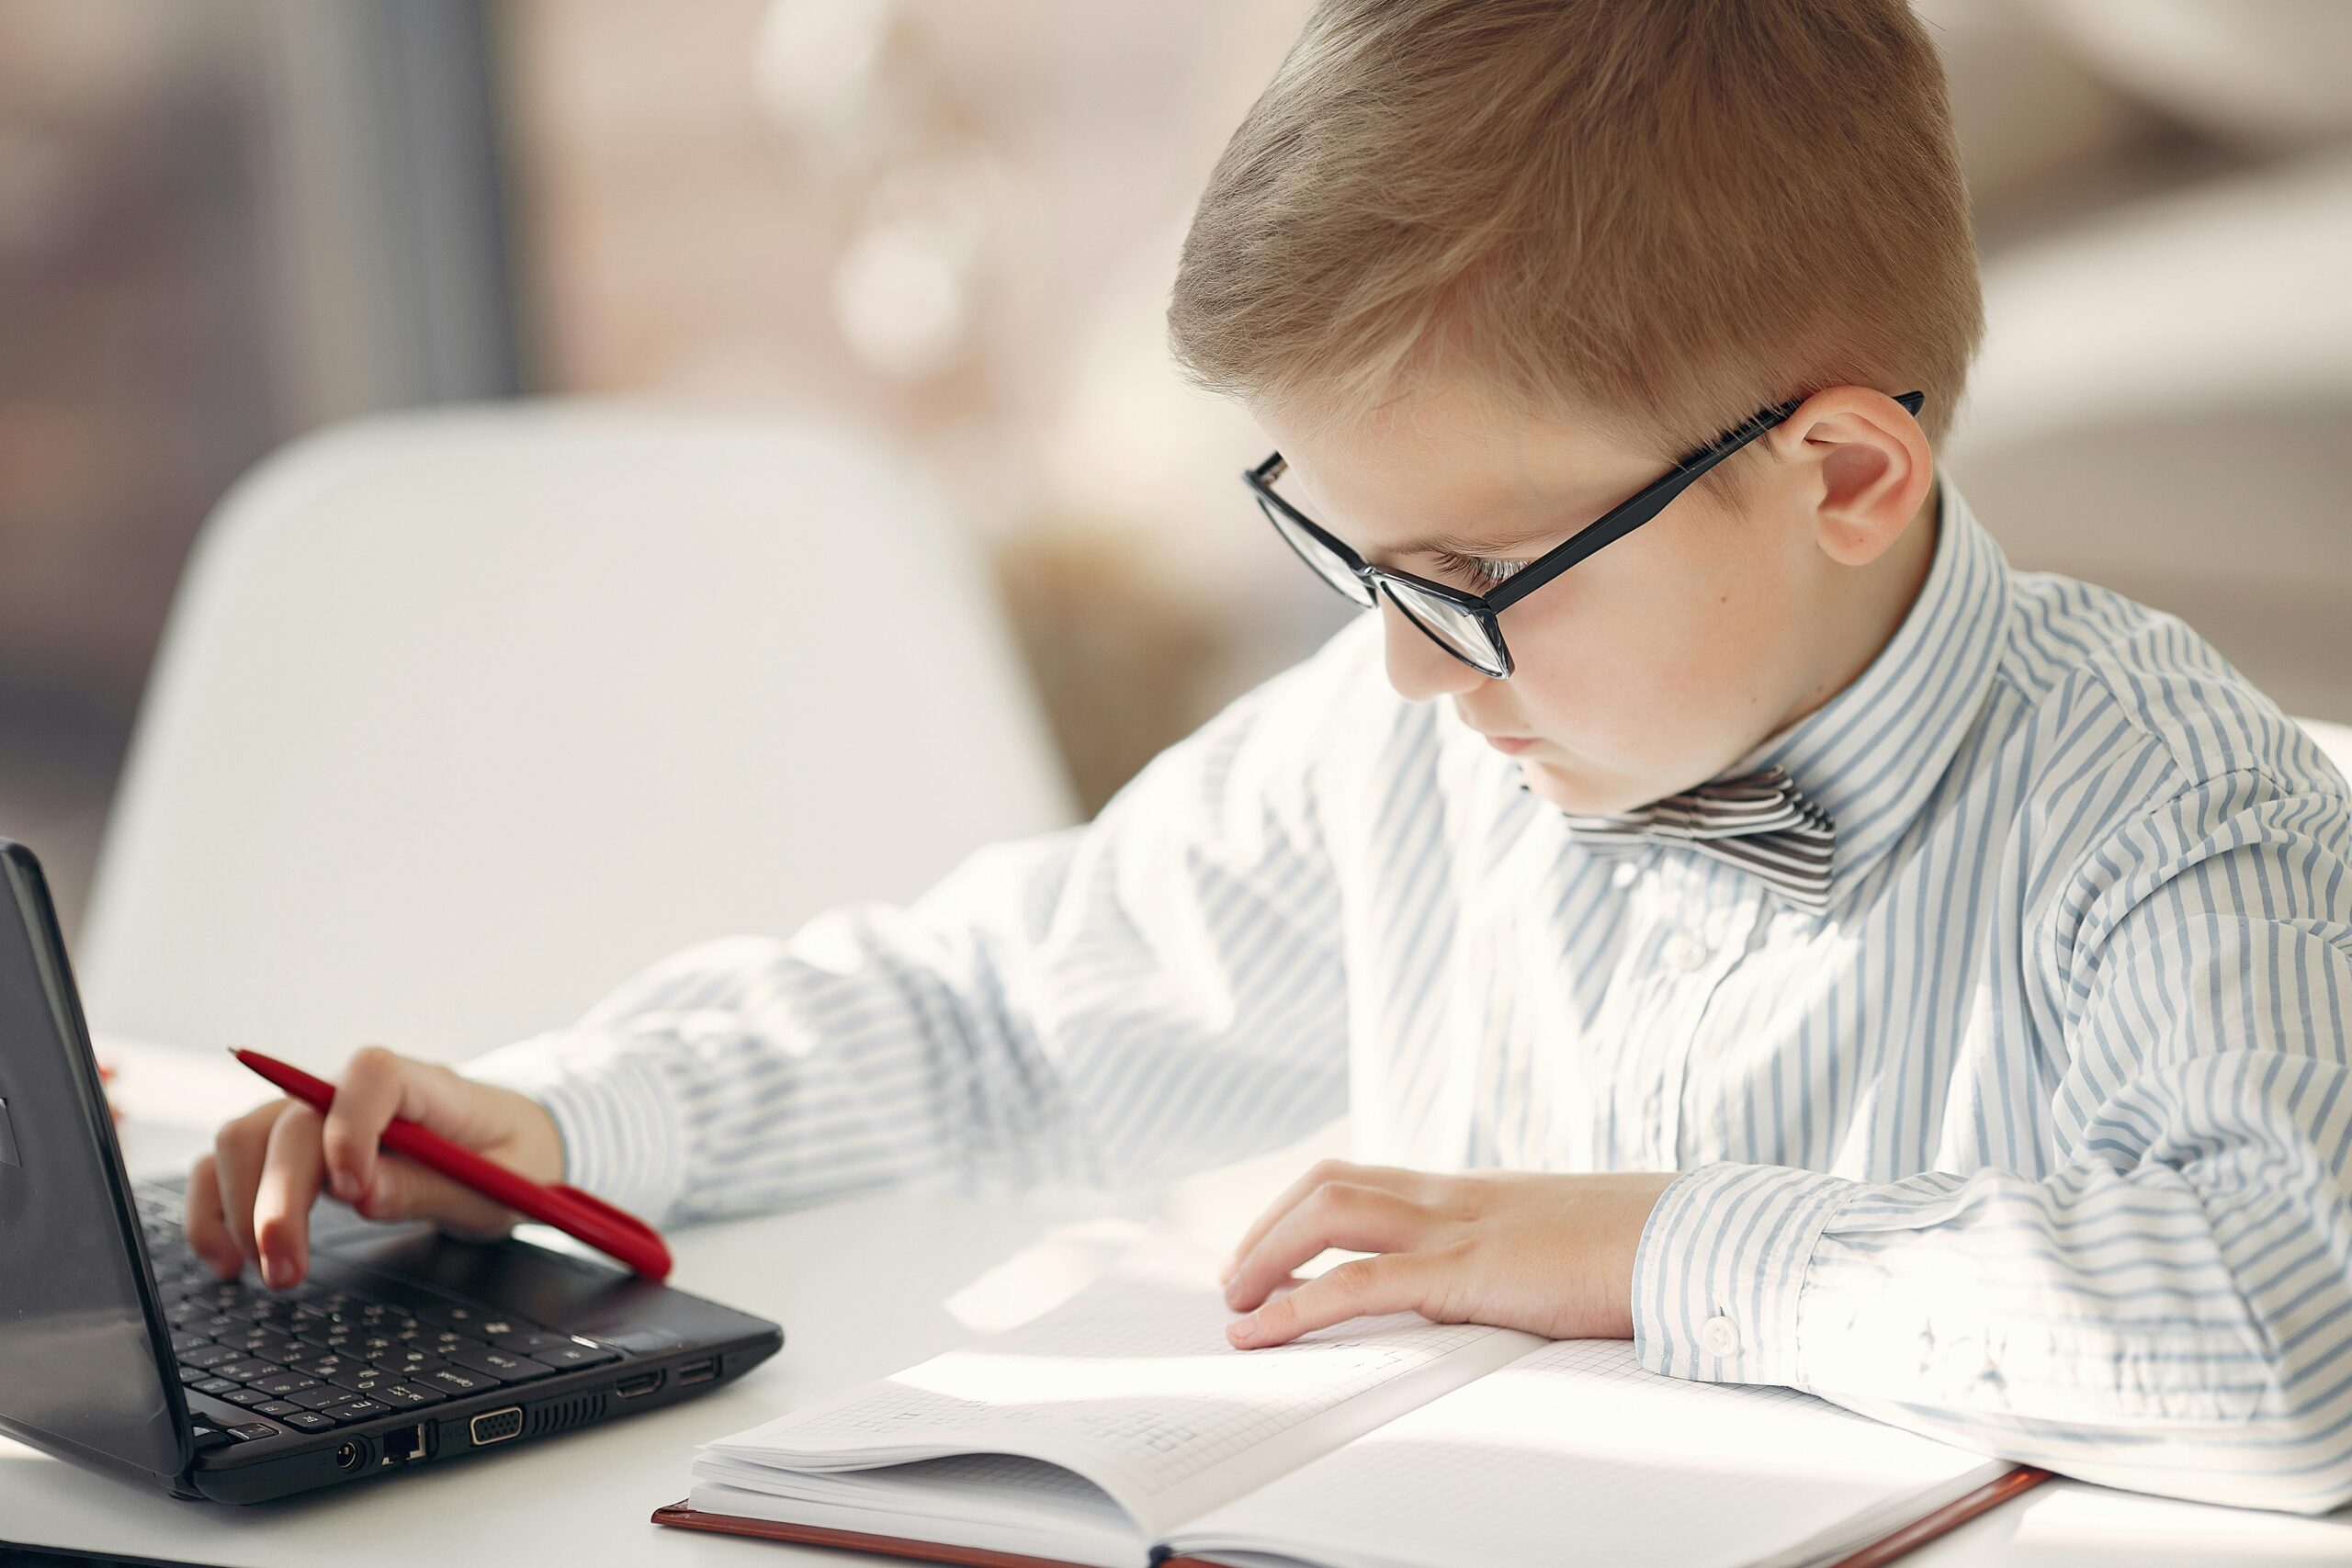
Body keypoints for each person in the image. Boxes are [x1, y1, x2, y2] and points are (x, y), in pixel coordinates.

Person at [187, 0, 2352, 1515]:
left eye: (1475, 570)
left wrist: (1641, 1242)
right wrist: (578, 1109)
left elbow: (2293, 1331)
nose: (1404, 668)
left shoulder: (2170, 811)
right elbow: (993, 1009)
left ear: (1844, 472)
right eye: (1343, 552)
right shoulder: (1408, 747)